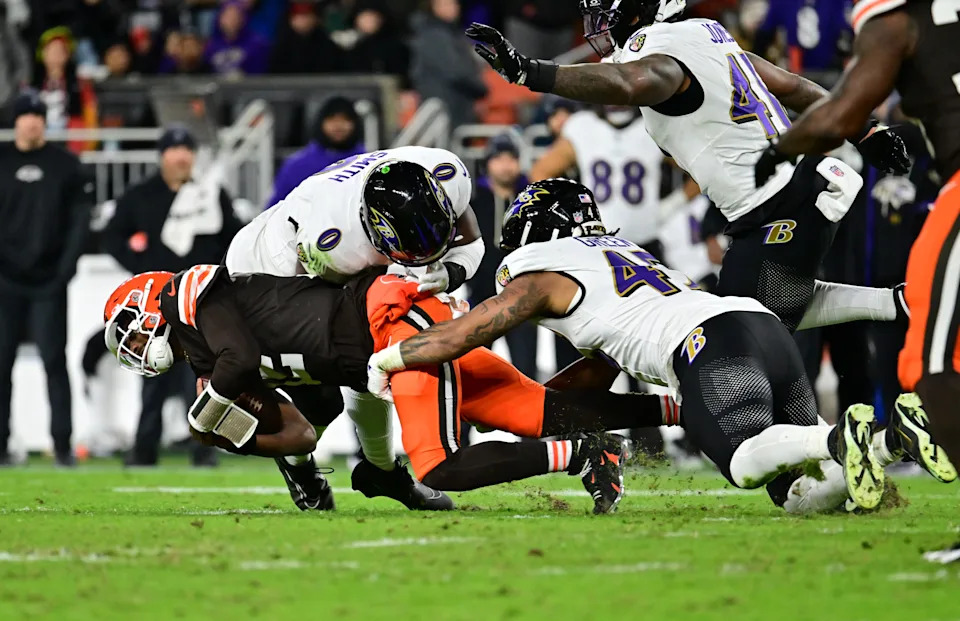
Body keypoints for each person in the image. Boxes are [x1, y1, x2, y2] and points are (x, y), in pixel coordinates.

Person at [367, 179, 956, 513]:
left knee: (748, 464)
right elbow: (598, 369)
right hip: (756, 326)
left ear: (535, 233)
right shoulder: (621, 258)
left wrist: (391, 358)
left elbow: (472, 329)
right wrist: (550, 416)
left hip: (709, 346)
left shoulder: (540, 271)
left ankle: (836, 434)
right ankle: (888, 438)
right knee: (797, 493)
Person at [103, 264, 683, 513]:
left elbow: (243, 356)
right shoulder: (209, 367)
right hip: (386, 357)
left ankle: (588, 452)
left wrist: (210, 407)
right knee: (541, 409)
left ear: (150, 300)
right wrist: (234, 438)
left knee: (438, 465)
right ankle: (684, 406)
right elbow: (300, 430)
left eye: (128, 325)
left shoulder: (194, 296)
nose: (131, 343)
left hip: (393, 330)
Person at [750, 0, 960, 558]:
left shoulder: (895, 16)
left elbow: (843, 109)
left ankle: (888, 437)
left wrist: (779, 151)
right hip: (836, 278)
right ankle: (892, 436)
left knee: (930, 367)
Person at [226, 150, 485, 508]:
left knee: (369, 361)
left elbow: (471, 242)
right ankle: (303, 466)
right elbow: (345, 322)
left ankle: (380, 469)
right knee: (325, 398)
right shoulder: (334, 244)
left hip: (322, 230)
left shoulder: (444, 171)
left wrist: (451, 273)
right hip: (274, 271)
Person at [101, 125, 243, 467]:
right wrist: (142, 269)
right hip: (158, 304)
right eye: (174, 150)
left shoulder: (210, 193)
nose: (182, 157)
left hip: (201, 303)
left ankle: (203, 448)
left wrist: (221, 277)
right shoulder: (141, 194)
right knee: (153, 378)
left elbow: (236, 236)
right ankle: (144, 448)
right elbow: (112, 236)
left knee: (200, 378)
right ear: (162, 156)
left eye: (187, 150)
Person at [0, 90, 93, 466]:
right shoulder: (1, 162)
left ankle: (63, 445)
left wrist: (64, 272)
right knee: (1, 363)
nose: (32, 121)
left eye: (38, 115)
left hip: (49, 283)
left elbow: (79, 223)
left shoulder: (66, 166)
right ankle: (1, 445)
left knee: (55, 361)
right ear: (16, 121)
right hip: (5, 281)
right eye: (26, 115)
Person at [530, 105, 664, 256]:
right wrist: (568, 212)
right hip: (597, 239)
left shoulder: (651, 125)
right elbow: (541, 172)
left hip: (644, 237)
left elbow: (691, 164)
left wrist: (675, 203)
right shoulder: (584, 126)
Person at [471, 134, 538, 380]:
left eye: (512, 158)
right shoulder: (473, 200)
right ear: (487, 162)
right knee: (473, 371)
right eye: (498, 158)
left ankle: (526, 419)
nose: (506, 165)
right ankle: (466, 420)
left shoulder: (533, 200)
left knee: (526, 372)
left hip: (522, 297)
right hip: (481, 295)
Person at [266, 97, 365, 208]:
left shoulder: (367, 162)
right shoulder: (296, 166)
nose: (338, 125)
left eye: (345, 119)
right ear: (321, 123)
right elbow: (274, 210)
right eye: (332, 119)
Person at [410, 0, 488, 129]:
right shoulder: (434, 35)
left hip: (457, 106)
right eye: (446, 4)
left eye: (454, 3)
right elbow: (456, 71)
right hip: (447, 108)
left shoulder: (452, 33)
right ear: (432, 7)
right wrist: (481, 89)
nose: (452, 8)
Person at [268, 1, 345, 75]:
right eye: (298, 16)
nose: (302, 20)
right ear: (291, 19)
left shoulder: (327, 45)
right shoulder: (282, 47)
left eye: (306, 15)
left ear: (315, 18)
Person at [204, 1, 269, 76]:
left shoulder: (257, 43)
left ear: (243, 19)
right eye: (227, 16)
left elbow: (258, 74)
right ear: (220, 19)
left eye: (236, 16)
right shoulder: (212, 45)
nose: (231, 21)